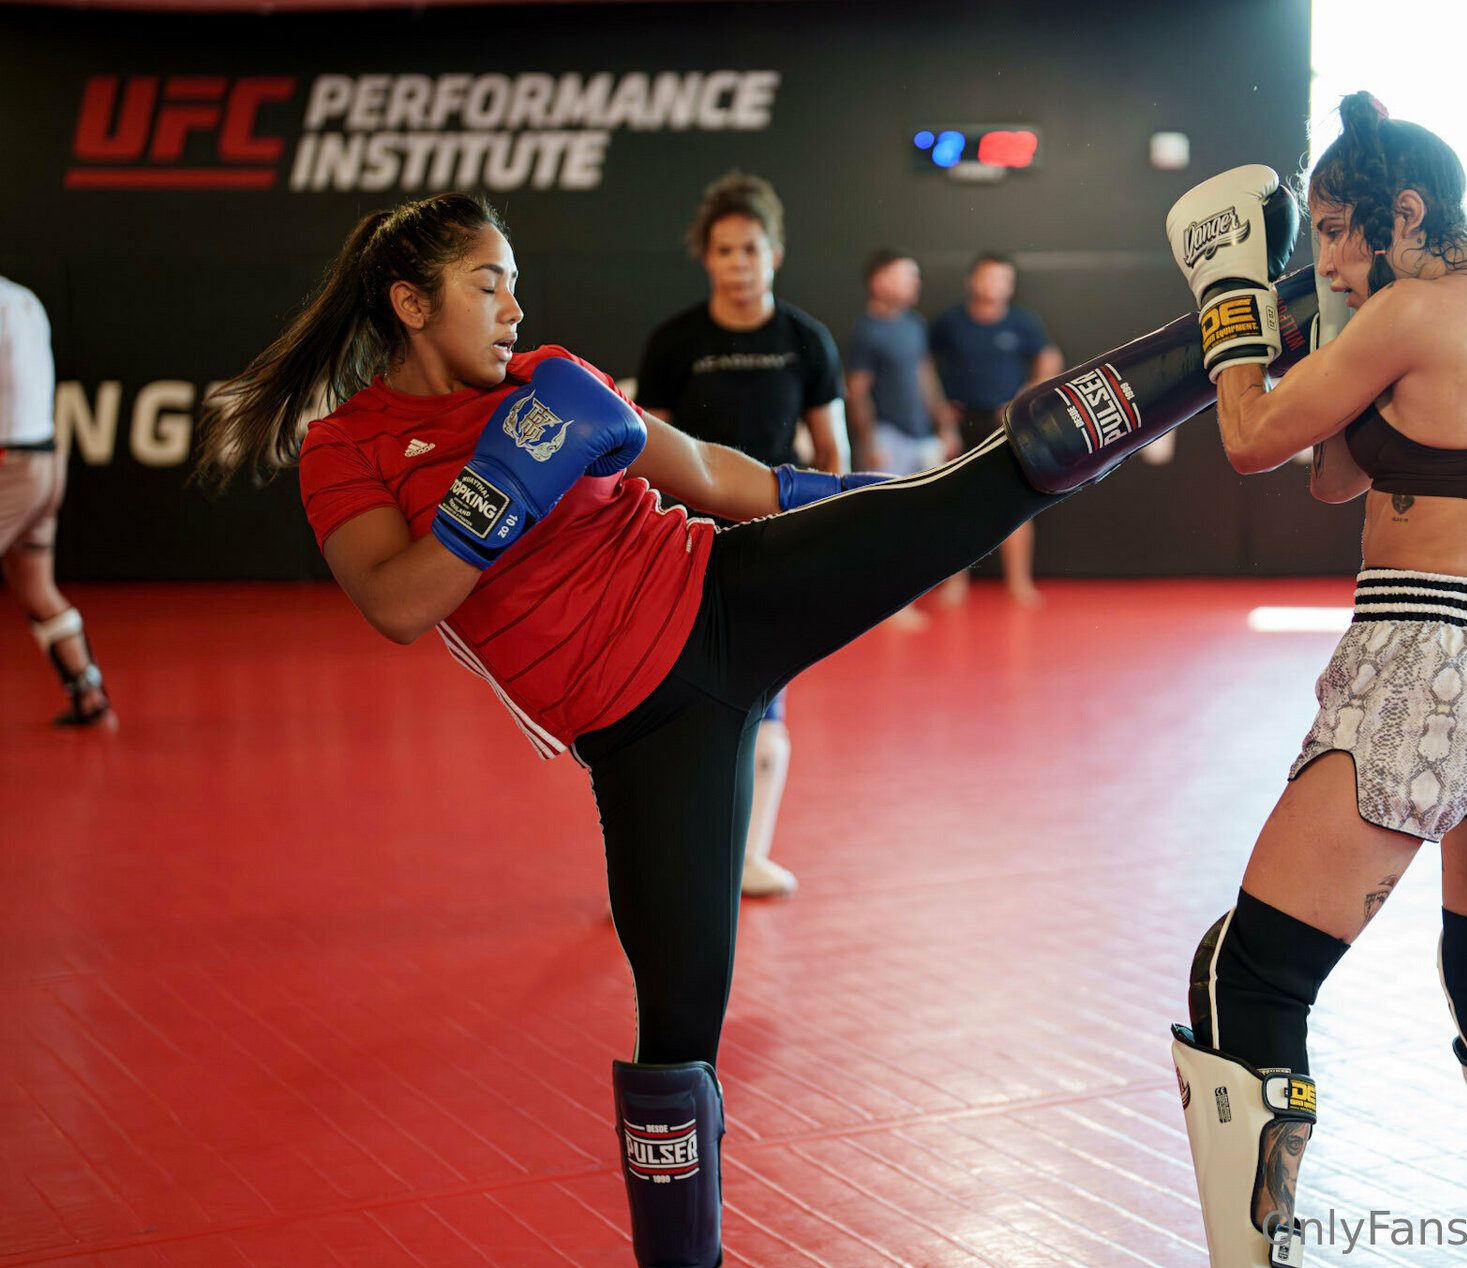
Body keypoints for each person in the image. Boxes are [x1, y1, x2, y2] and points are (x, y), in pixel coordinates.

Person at [197, 190, 1240, 1268]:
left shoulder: (546, 376)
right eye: (487, 284)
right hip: (642, 736)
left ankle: (1240, 325)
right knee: (679, 1028)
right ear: (411, 303)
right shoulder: (347, 448)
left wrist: (881, 499)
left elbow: (706, 471)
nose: (513, 307)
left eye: (514, 282)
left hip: (726, 591)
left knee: (985, 484)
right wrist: (500, 484)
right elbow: (399, 603)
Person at [1162, 93, 1467, 1268]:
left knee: (1248, 976)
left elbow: (1252, 438)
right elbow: (1337, 475)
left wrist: (1232, 305)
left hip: (1424, 670)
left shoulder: (1413, 310)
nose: (1323, 257)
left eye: (1334, 231)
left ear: (1405, 213)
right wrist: (1335, 316)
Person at [635, 171, 849, 895]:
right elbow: (646, 451)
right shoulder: (674, 342)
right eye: (724, 251)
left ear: (775, 254)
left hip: (775, 544)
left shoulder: (806, 341)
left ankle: (747, 858)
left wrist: (828, 536)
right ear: (707, 258)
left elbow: (833, 451)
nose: (739, 264)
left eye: (751, 249)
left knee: (766, 701)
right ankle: (664, 865)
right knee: (674, 703)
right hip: (687, 546)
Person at [0, 274, 115, 728]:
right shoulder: (23, 298)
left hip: (11, 465)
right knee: (36, 589)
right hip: (46, 460)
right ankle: (90, 698)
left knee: (37, 588)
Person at [928, 254, 1062, 606]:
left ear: (1010, 286)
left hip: (1005, 423)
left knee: (1015, 503)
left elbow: (1050, 358)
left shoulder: (1022, 322)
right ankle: (955, 584)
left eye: (1002, 279)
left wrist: (1024, 398)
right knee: (957, 502)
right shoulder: (950, 321)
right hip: (961, 422)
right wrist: (939, 407)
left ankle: (1019, 583)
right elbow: (924, 362)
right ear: (971, 280)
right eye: (987, 277)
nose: (993, 285)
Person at [844, 248, 959, 629]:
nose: (915, 282)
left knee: (939, 513)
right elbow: (857, 391)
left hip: (922, 435)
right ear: (880, 282)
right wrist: (870, 442)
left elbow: (925, 377)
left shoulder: (914, 324)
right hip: (887, 437)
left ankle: (950, 585)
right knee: (889, 523)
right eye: (906, 275)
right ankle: (892, 606)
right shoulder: (866, 331)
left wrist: (944, 425)